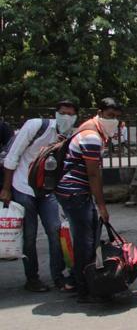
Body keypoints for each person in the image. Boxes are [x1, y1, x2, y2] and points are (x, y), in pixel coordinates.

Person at [1, 100, 78, 293]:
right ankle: (32, 278)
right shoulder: (36, 126)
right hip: (23, 187)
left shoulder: (69, 136)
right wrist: (6, 188)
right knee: (29, 236)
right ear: (56, 113)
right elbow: (12, 156)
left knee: (55, 231)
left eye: (70, 114)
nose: (66, 117)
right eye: (63, 112)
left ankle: (58, 276)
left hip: (46, 191)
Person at [55, 98, 120, 302]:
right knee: (85, 241)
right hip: (75, 193)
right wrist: (102, 206)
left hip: (76, 192)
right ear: (99, 113)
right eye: (110, 116)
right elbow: (93, 175)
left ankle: (77, 280)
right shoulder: (92, 136)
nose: (114, 121)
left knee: (88, 237)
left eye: (117, 117)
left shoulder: (92, 129)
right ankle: (83, 290)